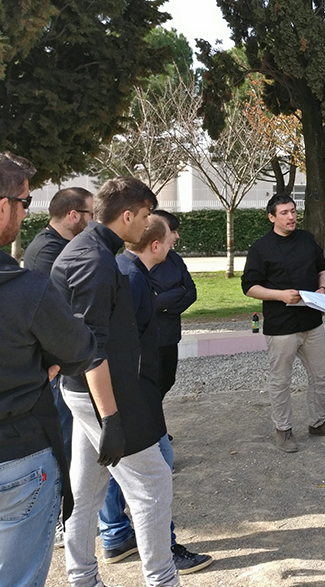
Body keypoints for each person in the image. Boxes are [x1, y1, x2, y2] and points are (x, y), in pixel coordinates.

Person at [51, 177, 181, 587]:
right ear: (127, 215)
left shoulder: (91, 250)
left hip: (89, 391)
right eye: (144, 216)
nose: (148, 225)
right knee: (152, 483)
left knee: (86, 489)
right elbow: (92, 347)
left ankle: (82, 577)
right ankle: (163, 580)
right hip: (98, 394)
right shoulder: (94, 260)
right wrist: (111, 419)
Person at [97, 214, 213, 574]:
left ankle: (118, 538)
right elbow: (121, 349)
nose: (176, 241)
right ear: (156, 244)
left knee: (118, 471)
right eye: (172, 238)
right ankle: (163, 550)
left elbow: (186, 293)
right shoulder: (130, 277)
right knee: (155, 473)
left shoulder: (131, 270)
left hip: (137, 396)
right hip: (135, 401)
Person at [0, 152, 96, 587]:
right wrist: (46, 361)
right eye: (25, 201)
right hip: (18, 454)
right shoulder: (25, 285)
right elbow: (78, 349)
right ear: (4, 206)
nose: (26, 210)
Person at [242, 193, 325, 453]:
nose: (291, 217)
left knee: (321, 375)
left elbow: (323, 267)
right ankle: (283, 429)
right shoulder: (261, 248)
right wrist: (280, 295)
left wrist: (322, 287)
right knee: (281, 380)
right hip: (281, 326)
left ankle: (318, 422)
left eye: (293, 211)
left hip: (312, 321)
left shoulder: (306, 239)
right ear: (271, 217)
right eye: (284, 213)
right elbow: (249, 287)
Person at [22, 186, 94, 546]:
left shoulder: (56, 245)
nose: (92, 221)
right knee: (65, 438)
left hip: (61, 357)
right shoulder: (48, 251)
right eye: (89, 214)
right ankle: (64, 518)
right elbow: (66, 305)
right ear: (72, 215)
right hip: (56, 364)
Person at [149, 209, 197, 399]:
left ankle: (154, 426)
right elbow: (149, 302)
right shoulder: (137, 264)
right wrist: (177, 292)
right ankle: (151, 428)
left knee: (167, 380)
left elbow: (191, 292)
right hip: (150, 339)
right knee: (149, 388)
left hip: (170, 335)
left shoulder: (174, 258)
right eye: (174, 231)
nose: (177, 236)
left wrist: (166, 304)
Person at [23, 187, 94, 275]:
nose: (95, 220)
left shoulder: (62, 244)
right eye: (92, 214)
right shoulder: (47, 251)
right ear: (74, 216)